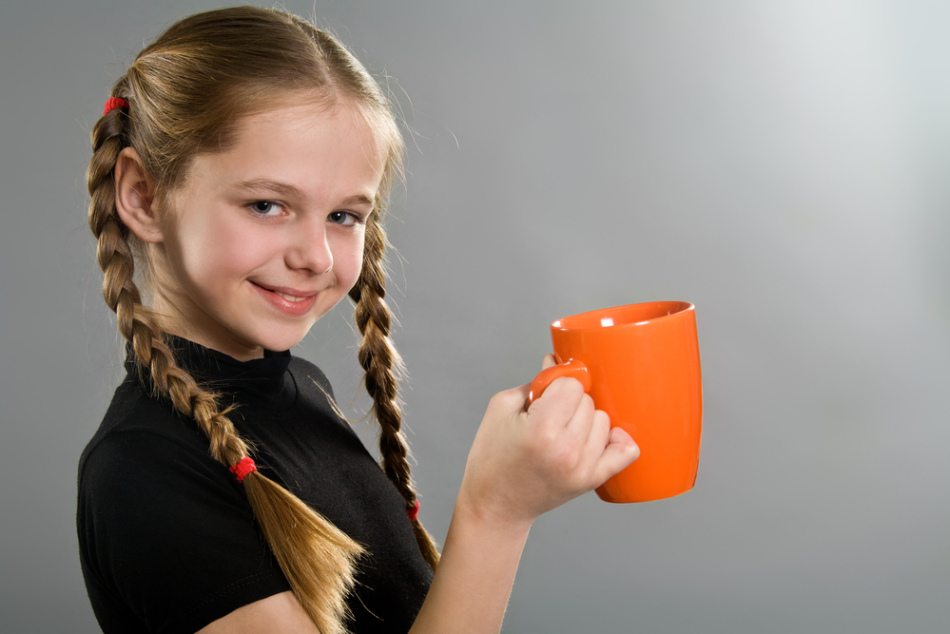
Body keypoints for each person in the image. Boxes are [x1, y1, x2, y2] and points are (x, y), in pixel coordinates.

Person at [77, 6, 639, 633]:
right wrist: (496, 514)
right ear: (143, 196)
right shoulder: (145, 474)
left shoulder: (301, 388)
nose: (315, 257)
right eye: (266, 205)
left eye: (344, 216)